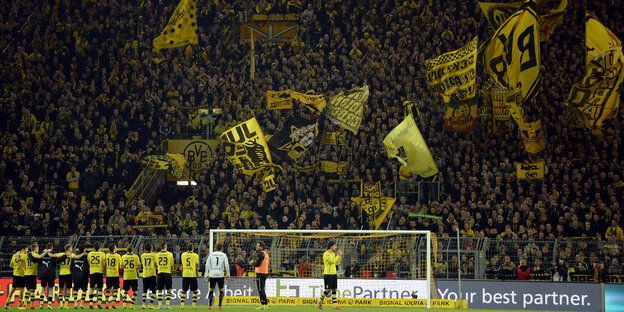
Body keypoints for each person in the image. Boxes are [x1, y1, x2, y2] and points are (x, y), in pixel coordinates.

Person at [57, 244, 86, 309]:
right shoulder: (72, 255)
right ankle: (66, 305)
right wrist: (83, 253)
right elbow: (77, 257)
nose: (72, 249)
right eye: (71, 248)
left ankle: (61, 304)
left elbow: (55, 257)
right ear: (69, 249)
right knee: (68, 290)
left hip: (61, 274)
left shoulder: (61, 254)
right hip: (68, 274)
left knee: (60, 289)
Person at [317, 241, 343, 310]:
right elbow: (332, 261)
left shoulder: (333, 254)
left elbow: (336, 263)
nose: (336, 247)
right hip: (328, 274)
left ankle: (334, 306)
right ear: (331, 246)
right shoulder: (326, 254)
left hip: (334, 273)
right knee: (328, 290)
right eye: (334, 246)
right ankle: (319, 301)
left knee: (334, 289)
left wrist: (339, 256)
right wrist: (337, 255)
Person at [204, 244, 230, 310]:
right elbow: (226, 265)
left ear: (215, 248)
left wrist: (206, 274)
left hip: (212, 273)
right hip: (220, 274)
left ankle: (210, 305)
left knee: (211, 289)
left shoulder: (211, 254)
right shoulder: (223, 255)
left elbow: (207, 264)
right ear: (222, 248)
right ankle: (220, 306)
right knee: (221, 289)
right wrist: (228, 274)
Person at [25, 243, 50, 309]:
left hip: (26, 273)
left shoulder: (27, 255)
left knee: (27, 289)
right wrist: (46, 252)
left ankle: (25, 304)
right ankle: (32, 305)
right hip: (32, 274)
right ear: (35, 249)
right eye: (38, 249)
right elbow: (39, 257)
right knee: (32, 290)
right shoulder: (34, 254)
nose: (38, 250)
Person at [87, 242, 107, 308]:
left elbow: (88, 263)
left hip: (92, 272)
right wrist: (104, 271)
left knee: (91, 288)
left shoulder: (89, 254)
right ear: (100, 247)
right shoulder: (102, 254)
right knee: (100, 288)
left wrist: (92, 267)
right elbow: (104, 264)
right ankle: (99, 303)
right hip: (99, 272)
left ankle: (90, 303)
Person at [38, 243, 57, 308]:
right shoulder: (53, 253)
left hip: (43, 273)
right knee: (51, 289)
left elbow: (38, 259)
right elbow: (56, 260)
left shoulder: (42, 253)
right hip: (51, 273)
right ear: (51, 247)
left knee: (43, 288)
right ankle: (49, 304)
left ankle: (41, 304)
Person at [180, 244, 199, 309]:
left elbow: (183, 263)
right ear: (193, 248)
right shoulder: (195, 255)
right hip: (192, 274)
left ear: (187, 248)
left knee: (184, 290)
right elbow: (197, 265)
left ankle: (182, 305)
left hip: (185, 274)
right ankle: (193, 305)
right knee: (195, 290)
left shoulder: (183, 254)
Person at [252, 241, 269, 310]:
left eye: (258, 246)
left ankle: (263, 304)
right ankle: (266, 305)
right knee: (262, 289)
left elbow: (257, 264)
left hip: (260, 273)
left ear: (261, 247)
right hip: (265, 273)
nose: (257, 247)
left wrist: (253, 262)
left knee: (260, 290)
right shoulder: (266, 254)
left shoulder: (260, 254)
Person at [156, 243, 174, 309]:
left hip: (160, 273)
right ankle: (167, 304)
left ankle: (160, 305)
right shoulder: (170, 254)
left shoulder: (157, 255)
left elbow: (156, 264)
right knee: (169, 289)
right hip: (167, 273)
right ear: (166, 247)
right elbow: (172, 264)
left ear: (161, 247)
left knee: (160, 289)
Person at [140, 243, 158, 309]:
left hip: (144, 274)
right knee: (153, 290)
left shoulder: (142, 255)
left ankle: (143, 304)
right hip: (152, 274)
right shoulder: (154, 255)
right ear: (151, 248)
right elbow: (156, 265)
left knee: (145, 290)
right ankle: (150, 304)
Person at [105, 244, 122, 308]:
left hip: (108, 274)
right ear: (114, 249)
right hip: (115, 274)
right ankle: (113, 304)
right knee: (115, 289)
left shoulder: (106, 255)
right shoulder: (118, 256)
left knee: (108, 289)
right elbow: (120, 266)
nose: (116, 248)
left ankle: (107, 304)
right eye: (116, 247)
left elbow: (104, 264)